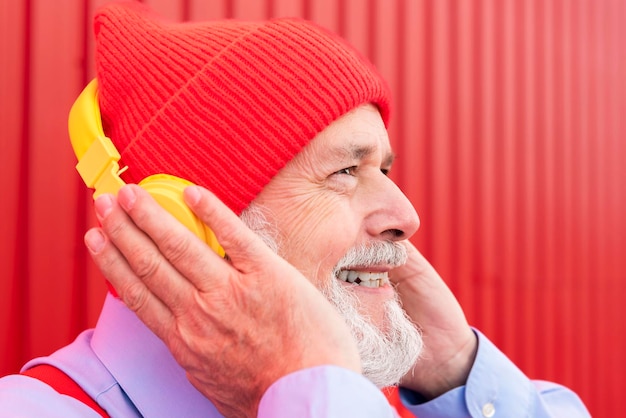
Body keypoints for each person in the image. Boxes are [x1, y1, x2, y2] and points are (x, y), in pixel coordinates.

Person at [0, 2, 590, 417]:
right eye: (344, 171)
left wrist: (456, 373)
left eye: (382, 169)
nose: (406, 215)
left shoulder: (354, 394)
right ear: (193, 225)